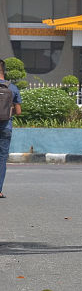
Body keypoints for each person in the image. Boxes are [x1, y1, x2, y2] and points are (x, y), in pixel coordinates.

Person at [0, 59, 23, 199]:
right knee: (2, 158)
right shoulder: (12, 87)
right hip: (6, 127)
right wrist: (8, 112)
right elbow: (19, 111)